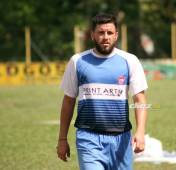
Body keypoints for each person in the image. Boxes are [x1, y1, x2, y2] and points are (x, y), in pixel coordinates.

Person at [56, 13, 148, 170]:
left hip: (122, 139)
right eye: (101, 32)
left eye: (110, 33)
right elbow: (68, 101)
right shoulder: (77, 61)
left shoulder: (130, 61)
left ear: (116, 35)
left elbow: (140, 101)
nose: (105, 37)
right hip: (88, 138)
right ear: (92, 35)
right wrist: (62, 139)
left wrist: (140, 132)